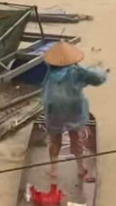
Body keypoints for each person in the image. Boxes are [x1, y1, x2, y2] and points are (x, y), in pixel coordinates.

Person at [41, 41, 108, 184]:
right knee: (75, 136)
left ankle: (54, 169)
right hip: (73, 107)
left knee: (55, 139)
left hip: (53, 108)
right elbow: (98, 78)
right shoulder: (76, 71)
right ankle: (80, 167)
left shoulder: (49, 70)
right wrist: (101, 69)